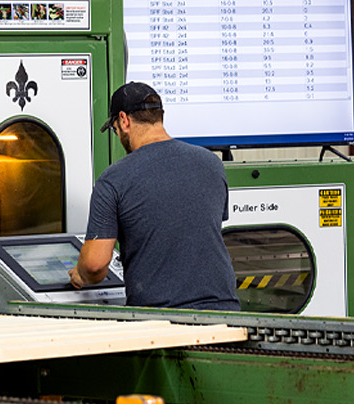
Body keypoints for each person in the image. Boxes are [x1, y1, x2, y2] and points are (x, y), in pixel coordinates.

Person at [68, 82, 242, 312]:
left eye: (115, 129)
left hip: (163, 320)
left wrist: (79, 274)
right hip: (225, 314)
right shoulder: (211, 164)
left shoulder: (114, 179)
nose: (118, 135)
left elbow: (94, 265)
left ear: (124, 120)